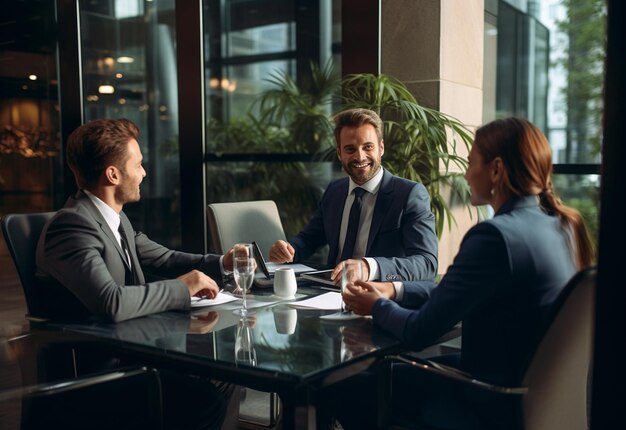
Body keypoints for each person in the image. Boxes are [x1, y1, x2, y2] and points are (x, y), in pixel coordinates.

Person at [329, 117, 595, 429]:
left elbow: (419, 332)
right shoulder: (559, 226)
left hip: (488, 401)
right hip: (526, 391)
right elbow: (462, 290)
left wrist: (376, 306)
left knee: (344, 383)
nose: (466, 174)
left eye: (471, 162)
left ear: (495, 169)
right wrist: (394, 290)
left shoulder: (496, 237)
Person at [36, 118, 239, 430]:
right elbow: (111, 301)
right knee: (205, 396)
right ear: (113, 174)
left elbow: (166, 258)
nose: (144, 173)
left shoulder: (114, 220)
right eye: (139, 164)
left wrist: (224, 262)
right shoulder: (72, 226)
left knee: (223, 377)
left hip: (138, 354)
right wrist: (182, 288)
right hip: (102, 375)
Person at [269, 108, 438, 288]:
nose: (360, 156)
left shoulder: (409, 194)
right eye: (350, 149)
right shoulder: (335, 191)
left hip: (379, 300)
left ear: (381, 148)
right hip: (329, 294)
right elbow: (308, 239)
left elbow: (427, 264)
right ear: (340, 154)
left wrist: (368, 267)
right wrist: (288, 250)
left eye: (368, 147)